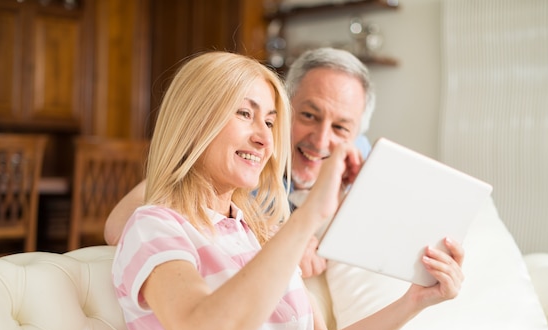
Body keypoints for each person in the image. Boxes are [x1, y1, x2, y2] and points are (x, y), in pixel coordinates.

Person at [112, 50, 548, 330]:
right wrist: (308, 221)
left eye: (270, 122)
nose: (265, 139)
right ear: (196, 120)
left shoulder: (256, 235)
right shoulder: (156, 226)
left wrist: (414, 300)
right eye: (245, 115)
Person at [104, 47, 373, 279]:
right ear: (283, 109)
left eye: (340, 127)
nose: (321, 140)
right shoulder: (240, 163)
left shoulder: (358, 158)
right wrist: (275, 238)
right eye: (309, 116)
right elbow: (120, 223)